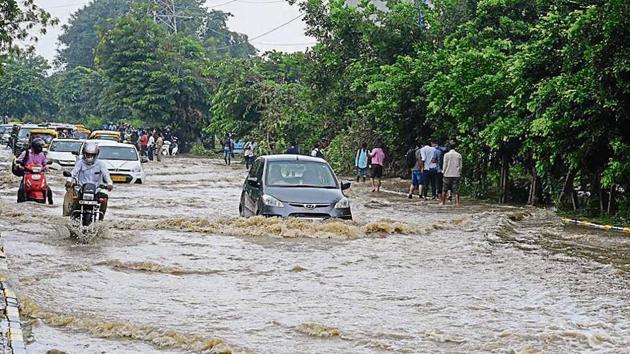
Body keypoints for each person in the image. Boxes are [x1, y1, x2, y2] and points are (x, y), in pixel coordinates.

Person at [64, 142, 114, 219]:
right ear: (84, 154)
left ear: (96, 155)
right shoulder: (80, 163)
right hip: (81, 189)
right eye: (87, 154)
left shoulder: (101, 164)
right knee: (73, 200)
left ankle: (101, 218)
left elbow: (106, 175)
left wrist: (109, 184)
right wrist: (69, 181)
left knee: (105, 199)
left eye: (92, 155)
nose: (89, 156)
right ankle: (72, 216)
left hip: (96, 190)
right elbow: (73, 173)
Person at [15, 138, 53, 204]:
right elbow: (18, 161)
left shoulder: (41, 154)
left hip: (40, 174)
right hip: (28, 174)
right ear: (34, 147)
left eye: (41, 147)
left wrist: (46, 166)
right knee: (21, 189)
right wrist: (19, 165)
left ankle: (50, 202)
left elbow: (45, 162)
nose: (40, 148)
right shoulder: (26, 153)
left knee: (48, 189)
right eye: (39, 146)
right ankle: (19, 203)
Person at [441, 143, 463, 207]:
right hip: (456, 174)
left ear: (448, 148)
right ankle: (457, 203)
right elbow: (460, 166)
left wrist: (443, 172)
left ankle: (443, 202)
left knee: (445, 189)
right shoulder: (459, 155)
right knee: (456, 190)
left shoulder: (446, 155)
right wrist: (459, 172)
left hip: (447, 174)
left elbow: (445, 165)